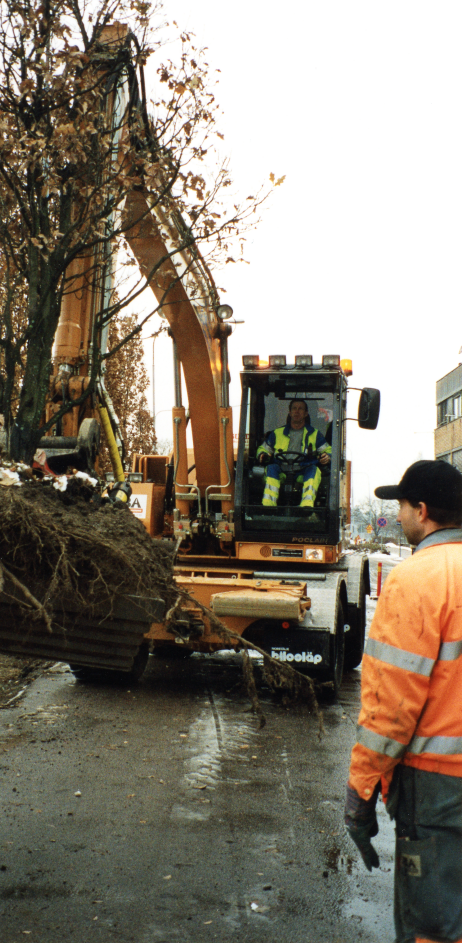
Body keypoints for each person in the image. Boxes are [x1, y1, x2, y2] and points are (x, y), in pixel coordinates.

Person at [345, 459, 462, 943]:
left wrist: (360, 791)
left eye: (402, 505)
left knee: (431, 928)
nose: (398, 515)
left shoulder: (416, 580)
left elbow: (390, 711)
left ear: (423, 510)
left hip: (437, 790)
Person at [256, 399, 331, 507]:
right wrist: (262, 455)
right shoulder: (277, 433)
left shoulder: (315, 434)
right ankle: (268, 506)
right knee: (271, 468)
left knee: (314, 470)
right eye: (294, 408)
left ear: (306, 414)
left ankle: (306, 506)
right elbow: (263, 449)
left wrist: (327, 456)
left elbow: (328, 450)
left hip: (303, 470)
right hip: (281, 470)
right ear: (290, 413)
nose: (297, 411)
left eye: (300, 409)